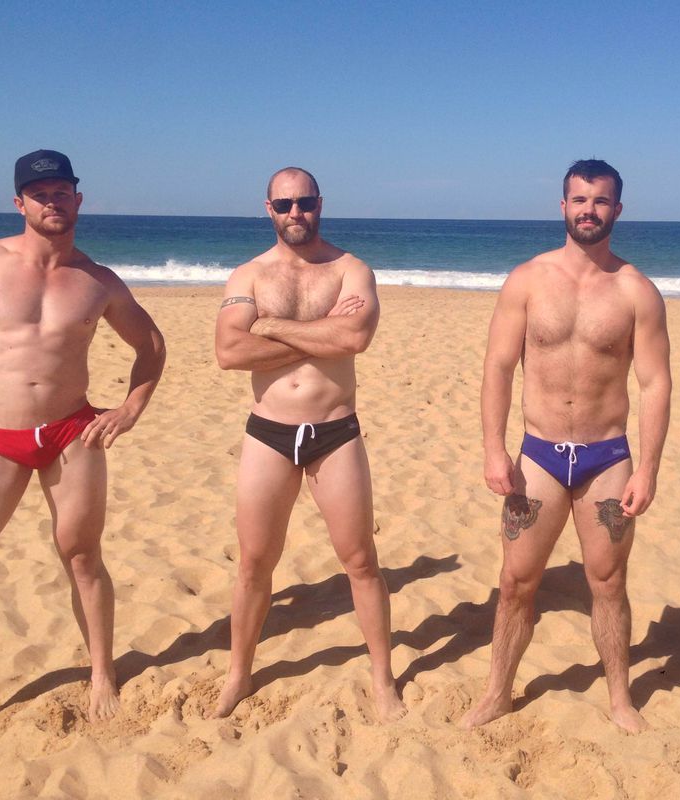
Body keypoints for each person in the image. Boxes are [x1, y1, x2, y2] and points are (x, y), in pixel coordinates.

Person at [0, 149, 166, 746]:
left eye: (61, 191)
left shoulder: (97, 280)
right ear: (20, 203)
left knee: (82, 556)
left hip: (72, 432)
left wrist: (130, 408)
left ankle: (102, 674)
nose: (52, 201)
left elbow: (150, 344)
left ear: (78, 198)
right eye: (40, 194)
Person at [461, 159, 672, 733]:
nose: (589, 210)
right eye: (579, 199)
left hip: (608, 457)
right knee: (516, 582)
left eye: (600, 201)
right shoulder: (528, 281)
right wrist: (493, 450)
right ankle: (497, 693)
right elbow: (498, 366)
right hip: (539, 456)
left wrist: (648, 470)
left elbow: (655, 384)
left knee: (608, 582)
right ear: (563, 206)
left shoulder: (636, 291)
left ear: (617, 209)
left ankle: (620, 699)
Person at [212, 167, 406, 722]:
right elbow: (229, 352)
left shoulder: (351, 270)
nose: (295, 213)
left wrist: (269, 326)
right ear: (268, 209)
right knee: (254, 563)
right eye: (284, 204)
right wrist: (319, 333)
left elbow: (355, 337)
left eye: (304, 202)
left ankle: (382, 677)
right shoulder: (249, 275)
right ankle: (239, 673)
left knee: (360, 560)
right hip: (268, 433)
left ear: (320, 203)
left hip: (334, 431)